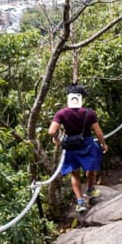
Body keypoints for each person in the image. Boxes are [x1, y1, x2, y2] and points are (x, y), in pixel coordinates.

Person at [48, 84, 108, 213]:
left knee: (75, 173)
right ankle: (91, 189)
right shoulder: (89, 113)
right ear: (80, 98)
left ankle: (80, 201)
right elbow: (98, 133)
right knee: (91, 168)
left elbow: (51, 131)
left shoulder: (61, 113)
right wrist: (103, 143)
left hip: (71, 145)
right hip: (87, 143)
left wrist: (57, 138)